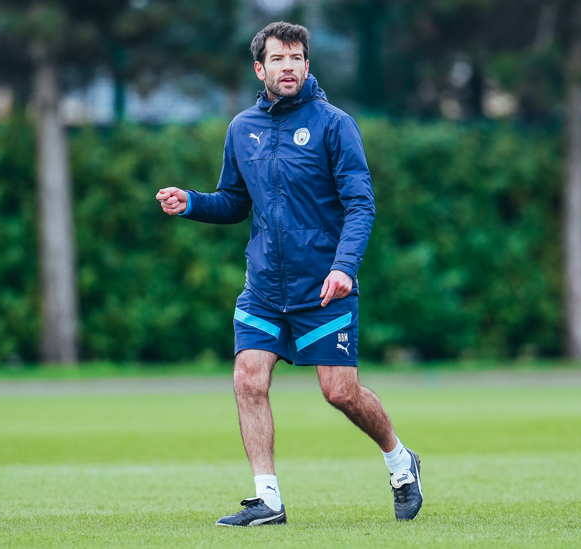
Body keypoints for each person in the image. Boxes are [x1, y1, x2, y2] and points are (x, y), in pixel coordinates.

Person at [157, 21, 422, 526]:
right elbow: (235, 202)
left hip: (323, 287)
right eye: (278, 59)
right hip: (263, 288)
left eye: (297, 57)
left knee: (339, 392)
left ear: (307, 64)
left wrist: (344, 267)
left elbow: (361, 205)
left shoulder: (334, 124)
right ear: (260, 68)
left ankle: (399, 460)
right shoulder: (242, 128)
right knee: (247, 379)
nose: (288, 67)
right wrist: (190, 202)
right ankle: (268, 500)